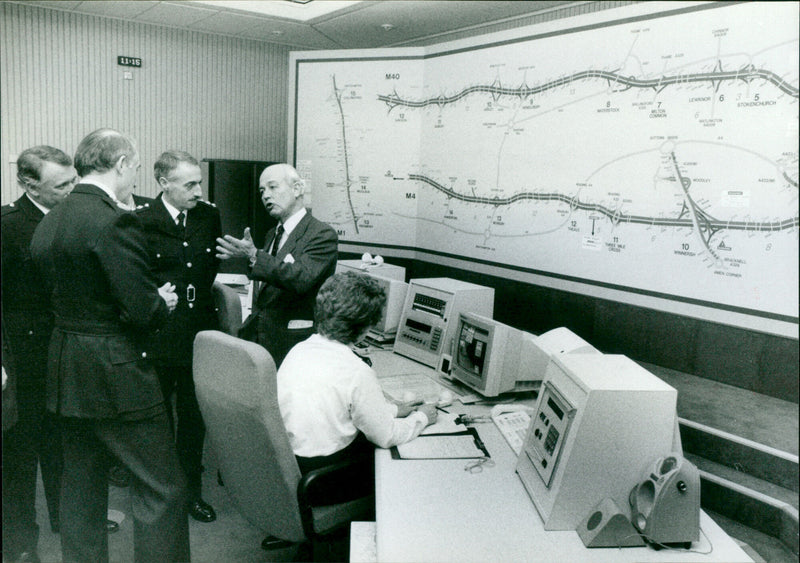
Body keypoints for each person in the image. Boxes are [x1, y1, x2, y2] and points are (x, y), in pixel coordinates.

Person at [29, 128, 191, 563]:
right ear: (120, 164)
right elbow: (142, 312)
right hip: (117, 372)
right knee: (162, 486)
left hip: (66, 368)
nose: (134, 178)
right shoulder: (114, 219)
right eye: (135, 168)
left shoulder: (50, 219)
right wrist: (163, 302)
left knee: (80, 485)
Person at [278, 271, 438, 475]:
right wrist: (422, 417)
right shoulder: (357, 371)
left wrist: (394, 411)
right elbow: (387, 436)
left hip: (292, 464)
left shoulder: (298, 351)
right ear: (365, 328)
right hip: (325, 476)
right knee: (398, 465)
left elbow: (336, 409)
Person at [136, 150, 221, 523]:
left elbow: (208, 269)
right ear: (163, 183)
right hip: (158, 334)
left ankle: (191, 493)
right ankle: (160, 492)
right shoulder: (140, 221)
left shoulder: (208, 215)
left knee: (193, 419)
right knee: (157, 420)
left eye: (199, 182)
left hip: (199, 331)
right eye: (189, 184)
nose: (198, 190)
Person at [2, 146, 75, 563]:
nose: (71, 190)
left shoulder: (70, 216)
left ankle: (67, 521)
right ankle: (20, 543)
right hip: (23, 357)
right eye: (60, 185)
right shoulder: (7, 225)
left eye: (72, 181)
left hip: (63, 351)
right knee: (19, 455)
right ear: (30, 184)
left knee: (63, 446)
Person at [215, 163, 338, 367]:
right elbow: (269, 283)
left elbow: (301, 278)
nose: (265, 196)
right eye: (262, 190)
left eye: (273, 187)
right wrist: (249, 258)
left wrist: (255, 255)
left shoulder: (321, 234)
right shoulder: (272, 234)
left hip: (294, 342)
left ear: (298, 189)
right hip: (260, 338)